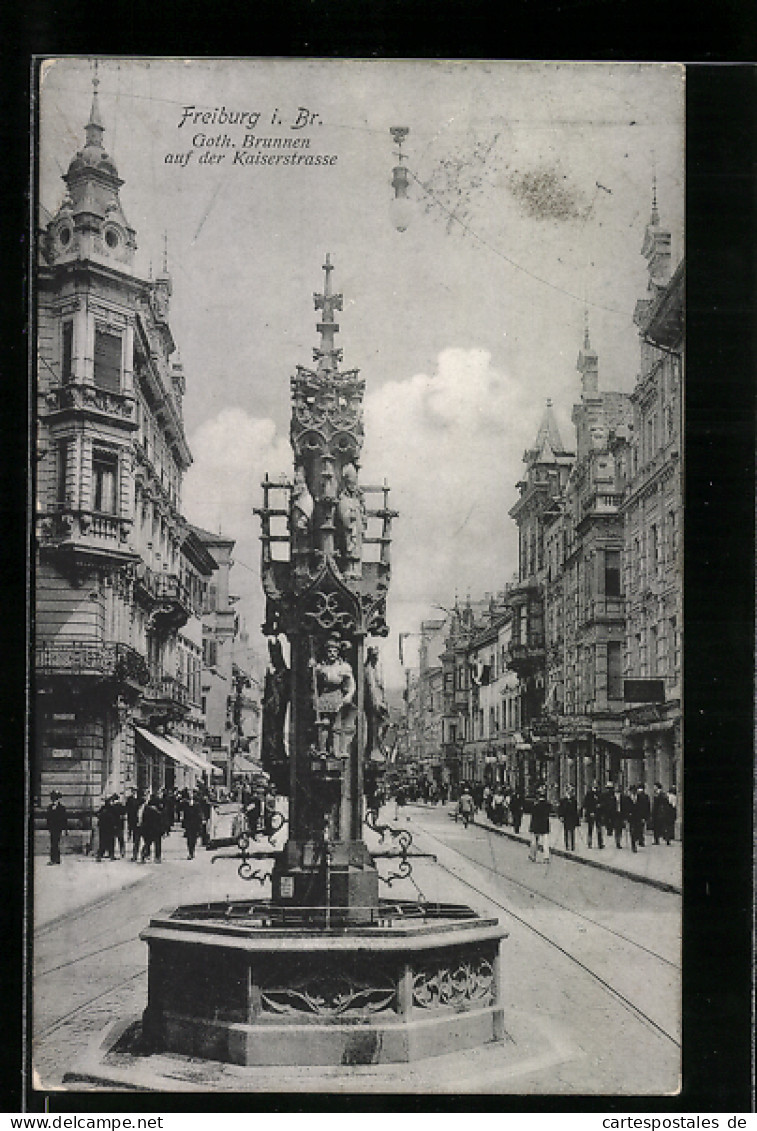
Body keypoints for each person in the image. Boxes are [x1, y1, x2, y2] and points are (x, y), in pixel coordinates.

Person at [528, 785, 551, 862]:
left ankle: (533, 855)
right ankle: (546, 857)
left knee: (534, 841)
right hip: (544, 824)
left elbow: (533, 815)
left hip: (536, 825)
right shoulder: (547, 805)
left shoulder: (535, 805)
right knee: (545, 841)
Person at [45, 791, 68, 865]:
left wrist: (65, 829)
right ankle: (56, 859)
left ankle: (54, 859)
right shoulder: (49, 807)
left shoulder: (62, 808)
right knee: (54, 843)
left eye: (55, 798)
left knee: (55, 843)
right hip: (52, 828)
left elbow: (64, 819)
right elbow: (48, 818)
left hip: (58, 828)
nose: (54, 800)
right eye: (53, 798)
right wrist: (48, 827)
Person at [140, 795, 164, 862]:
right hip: (156, 829)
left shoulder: (146, 809)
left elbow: (144, 820)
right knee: (157, 844)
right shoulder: (158, 810)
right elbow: (161, 821)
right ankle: (157, 857)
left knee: (148, 843)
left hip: (148, 829)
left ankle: (145, 855)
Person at [582, 781, 604, 849]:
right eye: (594, 784)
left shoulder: (600, 794)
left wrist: (600, 805)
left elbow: (603, 802)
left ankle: (600, 843)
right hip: (591, 813)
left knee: (599, 829)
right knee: (590, 828)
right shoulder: (589, 794)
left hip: (598, 813)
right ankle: (589, 843)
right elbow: (586, 804)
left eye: (597, 785)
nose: (596, 786)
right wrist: (590, 812)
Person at [182, 791, 204, 859]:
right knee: (189, 839)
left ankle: (192, 851)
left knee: (193, 839)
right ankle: (190, 852)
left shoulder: (197, 805)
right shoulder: (186, 806)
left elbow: (199, 815)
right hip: (189, 825)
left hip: (195, 825)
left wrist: (200, 822)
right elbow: (184, 816)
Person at [558, 786, 580, 851]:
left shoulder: (574, 800)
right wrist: (561, 816)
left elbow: (576, 810)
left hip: (572, 817)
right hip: (566, 817)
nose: (570, 793)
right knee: (566, 831)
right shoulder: (563, 800)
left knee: (572, 832)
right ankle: (567, 845)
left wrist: (577, 819)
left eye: (571, 791)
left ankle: (573, 846)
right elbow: (560, 809)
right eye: (569, 791)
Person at [631, 782, 651, 851]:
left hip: (639, 817)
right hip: (632, 817)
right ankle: (634, 845)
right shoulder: (628, 797)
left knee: (638, 830)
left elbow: (644, 808)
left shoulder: (642, 797)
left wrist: (644, 817)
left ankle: (639, 840)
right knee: (633, 831)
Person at [96, 796, 116, 861]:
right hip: (109, 828)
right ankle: (111, 855)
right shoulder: (112, 809)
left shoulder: (103, 809)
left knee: (102, 842)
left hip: (103, 828)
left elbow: (97, 814)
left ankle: (100, 855)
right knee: (110, 842)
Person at [111, 793, 126, 858]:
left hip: (113, 825)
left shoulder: (112, 807)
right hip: (120, 825)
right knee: (121, 839)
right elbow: (124, 813)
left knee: (112, 840)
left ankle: (112, 853)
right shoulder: (121, 806)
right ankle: (122, 852)